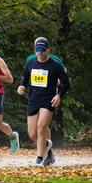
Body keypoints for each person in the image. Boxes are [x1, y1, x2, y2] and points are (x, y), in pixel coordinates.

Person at [18, 37, 70, 166]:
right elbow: (25, 77)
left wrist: (59, 96)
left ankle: (40, 158)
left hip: (48, 99)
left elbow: (66, 83)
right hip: (33, 99)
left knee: (41, 127)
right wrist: (21, 86)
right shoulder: (30, 62)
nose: (39, 53)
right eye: (37, 50)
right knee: (32, 133)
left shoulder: (55, 64)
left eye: (42, 50)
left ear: (48, 50)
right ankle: (47, 147)